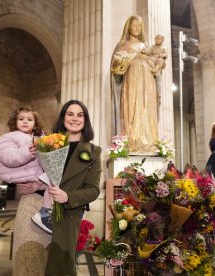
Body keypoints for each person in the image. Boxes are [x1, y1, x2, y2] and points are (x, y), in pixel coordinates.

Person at [45, 100, 102, 276]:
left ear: (85, 120)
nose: (74, 119)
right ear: (63, 118)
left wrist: (67, 196)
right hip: (40, 208)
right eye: (70, 114)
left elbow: (93, 190)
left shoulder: (93, 151)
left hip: (68, 214)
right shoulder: (49, 145)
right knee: (35, 260)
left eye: (80, 115)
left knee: (59, 267)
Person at [0, 107, 52, 233]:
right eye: (21, 119)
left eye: (29, 119)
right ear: (15, 122)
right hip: (22, 175)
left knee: (53, 186)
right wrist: (27, 151)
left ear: (35, 124)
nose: (25, 122)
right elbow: (9, 158)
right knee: (51, 187)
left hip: (36, 177)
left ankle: (45, 212)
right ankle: (44, 214)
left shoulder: (39, 137)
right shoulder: (9, 137)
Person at [111, 15, 165, 153]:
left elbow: (155, 60)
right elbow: (116, 68)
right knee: (133, 109)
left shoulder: (146, 45)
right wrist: (120, 64)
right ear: (128, 27)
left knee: (147, 110)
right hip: (132, 82)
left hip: (148, 82)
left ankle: (149, 141)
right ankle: (132, 142)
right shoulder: (123, 45)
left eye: (139, 26)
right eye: (134, 26)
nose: (136, 28)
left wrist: (157, 64)